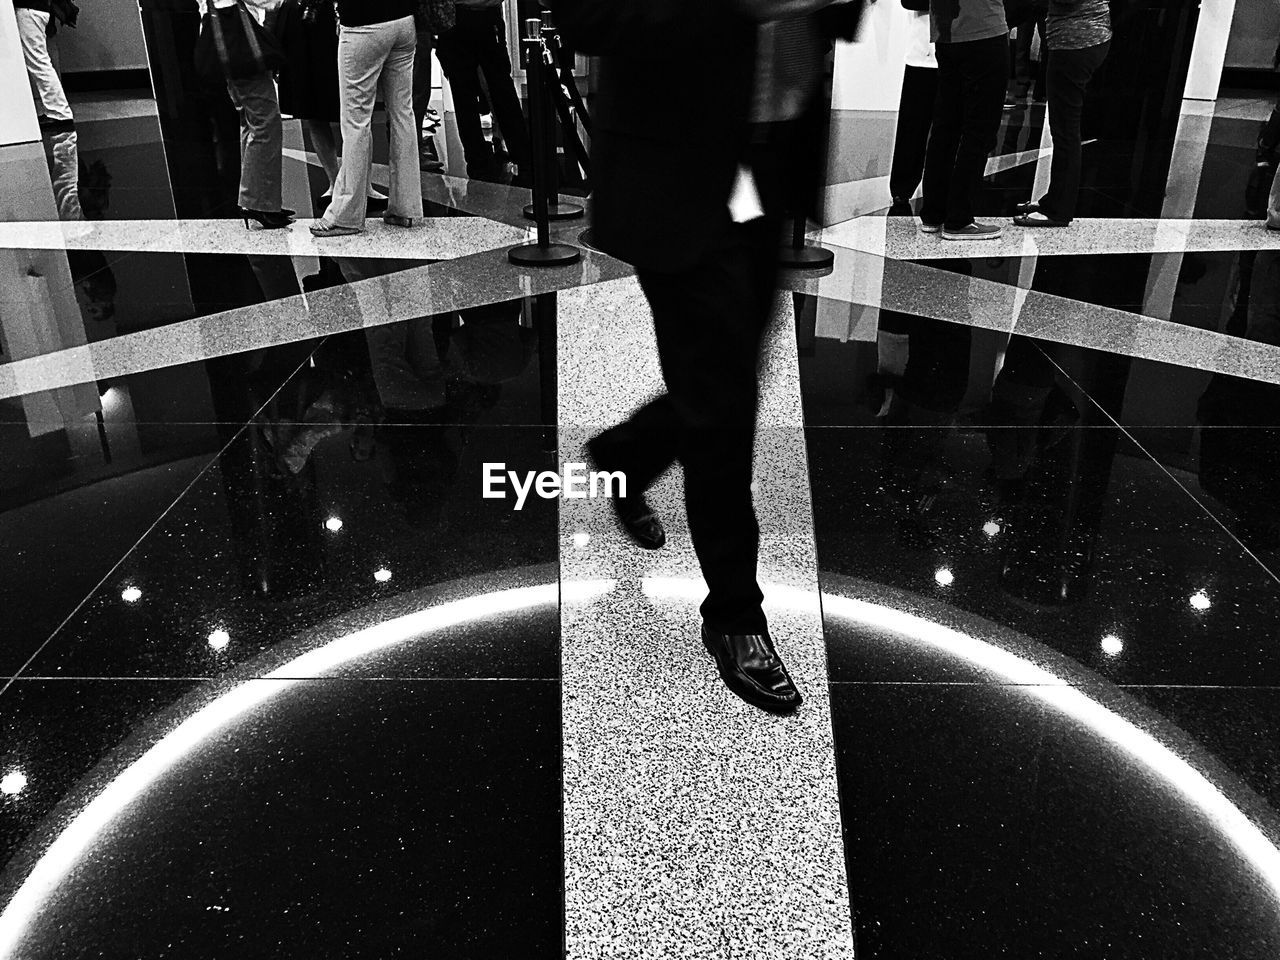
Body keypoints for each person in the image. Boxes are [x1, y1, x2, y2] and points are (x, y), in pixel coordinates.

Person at [552, 0, 864, 715]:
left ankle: (626, 457)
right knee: (724, 403)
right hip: (677, 168)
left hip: (772, 158)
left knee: (721, 382)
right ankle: (734, 615)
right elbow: (588, 16)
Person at [311, 0, 424, 238]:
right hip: (404, 22)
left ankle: (346, 215)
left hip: (363, 25)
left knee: (356, 121)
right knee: (403, 113)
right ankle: (406, 208)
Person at [276, 0, 390, 211]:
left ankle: (361, 185)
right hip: (302, 21)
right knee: (311, 107)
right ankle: (335, 181)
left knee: (355, 107)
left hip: (338, 18)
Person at [1013, 0, 1110, 227]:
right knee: (1064, 128)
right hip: (1082, 38)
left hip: (1075, 42)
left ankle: (1058, 209)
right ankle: (1055, 199)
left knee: (1065, 129)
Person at [919, 0, 1008, 240]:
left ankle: (933, 213)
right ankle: (959, 218)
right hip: (983, 27)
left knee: (945, 125)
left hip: (945, 30)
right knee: (979, 128)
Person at [198, 0, 292, 228]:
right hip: (243, 51)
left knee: (250, 123)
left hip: (228, 53)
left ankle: (256, 198)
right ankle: (258, 203)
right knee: (266, 124)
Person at [433, 0, 531, 182]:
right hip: (480, 15)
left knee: (466, 95)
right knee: (499, 88)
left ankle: (479, 158)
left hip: (458, 17)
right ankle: (520, 154)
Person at [889, 0, 937, 213]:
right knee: (913, 126)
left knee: (950, 131)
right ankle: (902, 188)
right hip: (923, 53)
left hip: (960, 50)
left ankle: (940, 193)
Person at [15, 0, 74, 129]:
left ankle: (59, 111)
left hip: (29, 9)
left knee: (38, 62)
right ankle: (56, 109)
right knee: (39, 61)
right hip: (37, 9)